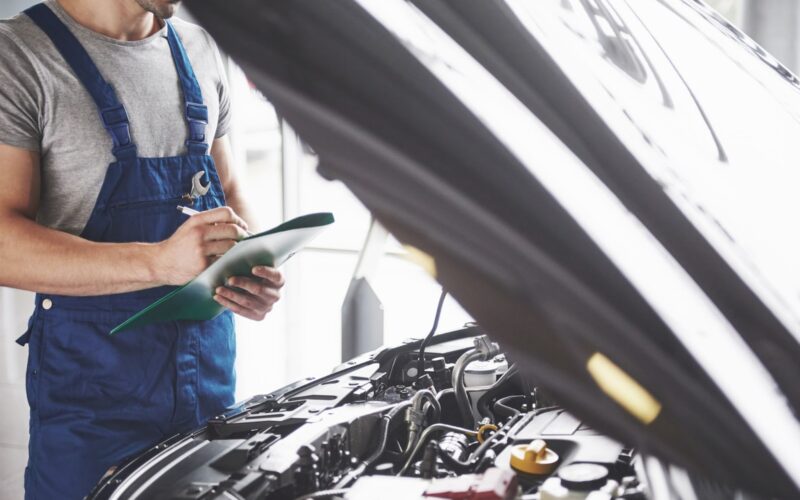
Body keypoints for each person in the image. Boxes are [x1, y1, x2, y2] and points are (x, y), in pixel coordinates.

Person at [0, 0, 284, 497]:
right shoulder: (19, 56)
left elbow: (231, 190)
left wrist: (251, 264)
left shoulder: (200, 49)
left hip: (210, 400)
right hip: (94, 414)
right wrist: (158, 263)